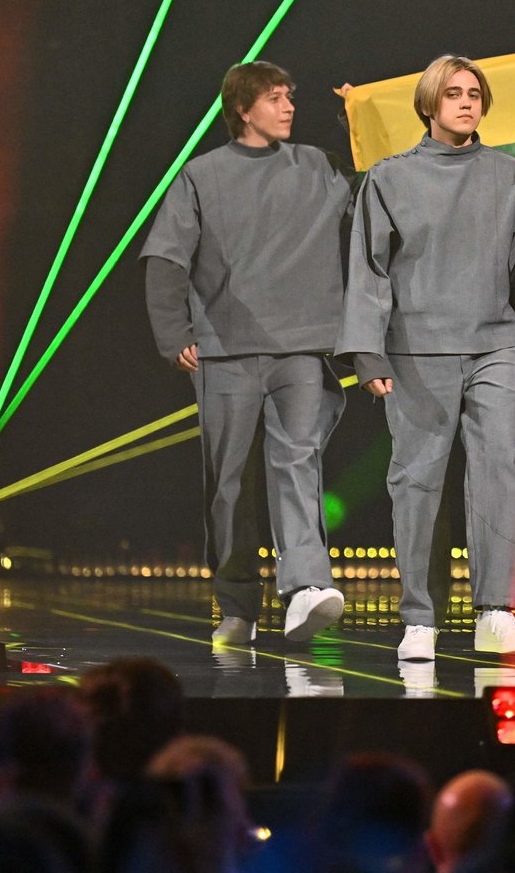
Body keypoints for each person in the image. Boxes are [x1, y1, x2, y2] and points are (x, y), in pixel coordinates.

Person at [337, 54, 515, 659]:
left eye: (474, 93)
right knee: (416, 481)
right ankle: (421, 618)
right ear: (428, 104)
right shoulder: (389, 178)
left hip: (495, 346)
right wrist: (367, 354)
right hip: (416, 351)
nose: (467, 102)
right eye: (453, 93)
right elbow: (369, 271)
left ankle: (496, 611)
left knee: (502, 472)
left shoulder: (508, 175)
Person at [140, 61, 353, 644]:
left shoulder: (317, 165)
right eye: (274, 97)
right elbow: (165, 257)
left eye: (290, 95)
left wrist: (356, 118)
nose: (288, 106)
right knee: (228, 481)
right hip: (225, 350)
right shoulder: (202, 175)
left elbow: (382, 185)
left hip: (302, 346)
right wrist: (174, 334)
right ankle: (237, 605)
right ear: (242, 109)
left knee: (298, 460)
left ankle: (306, 586)